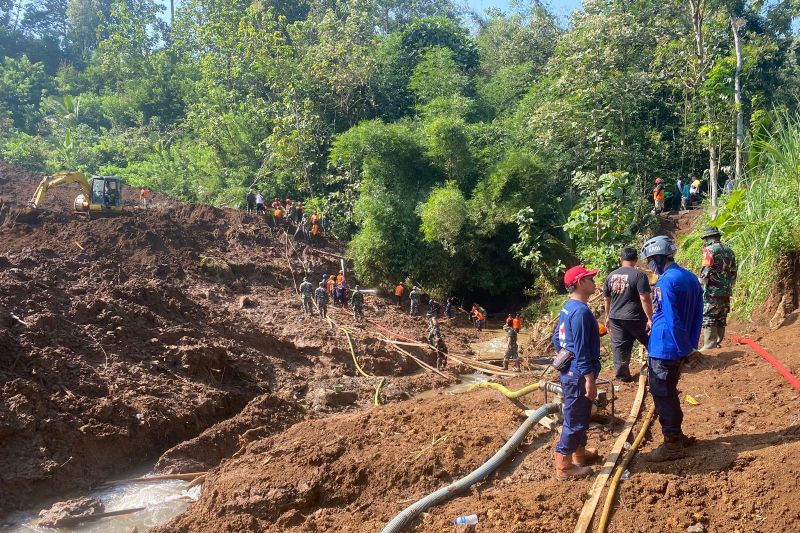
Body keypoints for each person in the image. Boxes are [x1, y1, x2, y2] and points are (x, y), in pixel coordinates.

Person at [641, 235, 703, 461]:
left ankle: (672, 443)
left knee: (662, 394)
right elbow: (698, 315)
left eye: (650, 260)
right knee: (669, 392)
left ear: (657, 257)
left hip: (664, 347)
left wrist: (684, 348)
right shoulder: (690, 278)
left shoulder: (666, 281)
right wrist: (689, 345)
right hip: (677, 346)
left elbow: (671, 318)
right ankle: (677, 435)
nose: (649, 265)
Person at [552, 265, 602, 480]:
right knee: (574, 419)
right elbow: (581, 349)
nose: (594, 281)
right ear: (580, 283)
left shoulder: (568, 307)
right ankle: (564, 466)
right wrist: (589, 379)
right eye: (590, 278)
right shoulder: (581, 312)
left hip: (571, 370)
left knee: (580, 414)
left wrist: (566, 355)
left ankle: (579, 454)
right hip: (579, 373)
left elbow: (557, 339)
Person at [602, 246, 653, 382]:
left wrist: (607, 316)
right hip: (635, 317)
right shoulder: (639, 275)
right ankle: (656, 369)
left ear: (621, 259)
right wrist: (650, 318)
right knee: (651, 340)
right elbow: (645, 298)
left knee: (619, 347)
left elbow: (607, 299)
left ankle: (622, 376)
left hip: (616, 317)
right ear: (636, 259)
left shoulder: (610, 275)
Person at [698, 227, 737, 350]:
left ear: (708, 238)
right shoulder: (729, 250)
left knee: (709, 316)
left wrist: (701, 284)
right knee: (721, 316)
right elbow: (733, 272)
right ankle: (718, 341)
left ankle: (709, 345)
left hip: (712, 290)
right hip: (726, 290)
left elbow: (706, 270)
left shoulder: (709, 250)